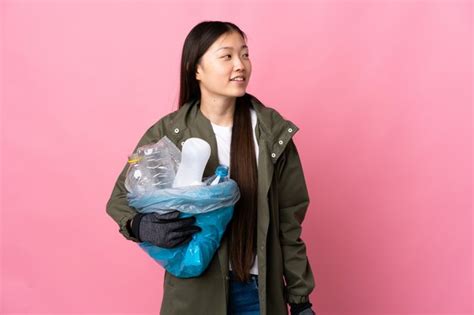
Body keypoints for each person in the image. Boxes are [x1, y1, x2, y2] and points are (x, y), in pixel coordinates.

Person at [106, 21, 316, 315]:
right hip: (194, 297)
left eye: (244, 54)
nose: (240, 65)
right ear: (197, 69)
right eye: (226, 56)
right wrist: (141, 226)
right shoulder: (171, 134)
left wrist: (300, 297)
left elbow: (289, 224)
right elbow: (119, 199)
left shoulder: (272, 133)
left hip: (259, 296)